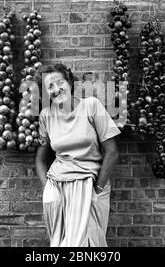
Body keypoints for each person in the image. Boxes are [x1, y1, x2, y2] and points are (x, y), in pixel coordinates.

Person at [35, 63, 121, 247]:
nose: (56, 89)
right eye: (49, 86)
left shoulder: (91, 106)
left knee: (89, 245)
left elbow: (112, 151)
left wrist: (97, 188)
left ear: (69, 82)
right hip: (58, 187)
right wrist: (48, 189)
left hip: (90, 184)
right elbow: (41, 159)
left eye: (60, 82)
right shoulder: (46, 116)